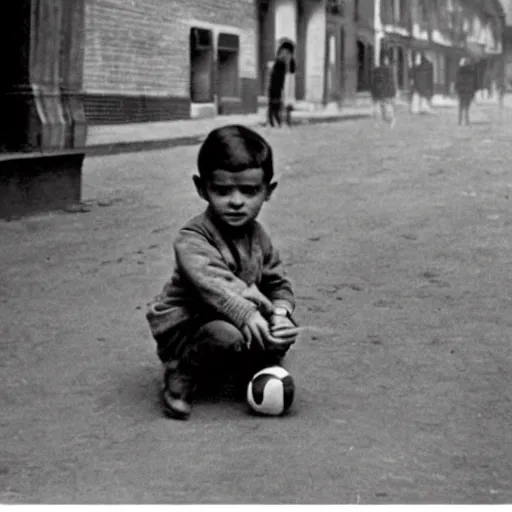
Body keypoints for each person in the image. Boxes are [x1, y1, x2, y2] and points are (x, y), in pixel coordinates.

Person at [146, 125, 299, 420]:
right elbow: (215, 284)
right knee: (224, 334)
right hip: (188, 327)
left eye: (250, 191)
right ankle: (182, 374)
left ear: (268, 191)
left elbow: (278, 283)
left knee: (281, 326)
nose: (237, 201)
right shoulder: (193, 237)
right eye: (222, 190)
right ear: (202, 188)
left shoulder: (259, 236)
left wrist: (280, 314)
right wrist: (248, 314)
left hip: (236, 316)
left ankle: (248, 365)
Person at [267, 41, 294, 127]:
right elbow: (275, 76)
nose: (285, 55)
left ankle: (275, 122)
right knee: (274, 104)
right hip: (275, 86)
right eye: (283, 53)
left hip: (278, 86)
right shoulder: (280, 63)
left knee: (275, 105)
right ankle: (275, 122)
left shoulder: (282, 63)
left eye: (286, 53)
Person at [370, 54, 397, 127]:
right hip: (385, 92)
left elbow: (373, 82)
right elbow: (391, 82)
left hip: (380, 92)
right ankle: (390, 121)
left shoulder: (376, 70)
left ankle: (379, 122)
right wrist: (393, 92)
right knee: (386, 108)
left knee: (379, 108)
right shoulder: (388, 70)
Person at [455, 57, 477, 125]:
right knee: (467, 107)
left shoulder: (459, 71)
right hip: (469, 91)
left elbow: (457, 81)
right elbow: (474, 83)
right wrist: (473, 92)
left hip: (461, 91)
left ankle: (459, 121)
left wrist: (457, 89)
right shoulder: (472, 71)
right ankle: (467, 121)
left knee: (461, 106)